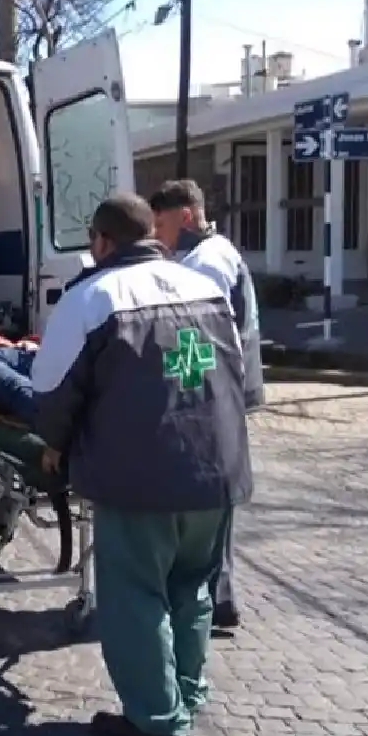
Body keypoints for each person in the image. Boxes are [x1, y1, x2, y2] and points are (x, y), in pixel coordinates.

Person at [31, 193, 252, 736]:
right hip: (216, 469)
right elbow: (237, 372)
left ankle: (155, 721)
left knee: (136, 595)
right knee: (193, 588)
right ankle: (187, 694)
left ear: (102, 242)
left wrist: (54, 446)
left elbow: (51, 390)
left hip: (141, 477)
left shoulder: (92, 297)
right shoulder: (203, 286)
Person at [150, 178, 264, 631]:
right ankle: (218, 596)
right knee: (211, 497)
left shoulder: (207, 262)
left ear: (185, 216)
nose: (157, 235)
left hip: (215, 394)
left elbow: (200, 335)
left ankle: (216, 597)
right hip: (221, 391)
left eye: (161, 224)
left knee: (210, 497)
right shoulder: (207, 254)